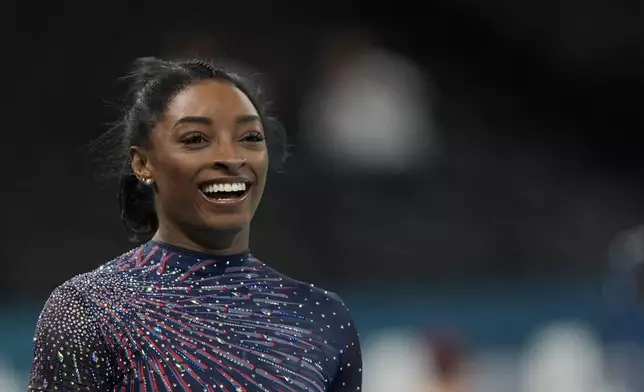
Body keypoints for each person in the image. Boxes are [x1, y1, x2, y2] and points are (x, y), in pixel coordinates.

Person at [27, 57, 362, 391]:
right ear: (143, 164)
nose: (232, 158)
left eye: (250, 137)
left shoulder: (322, 316)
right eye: (196, 139)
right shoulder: (90, 309)